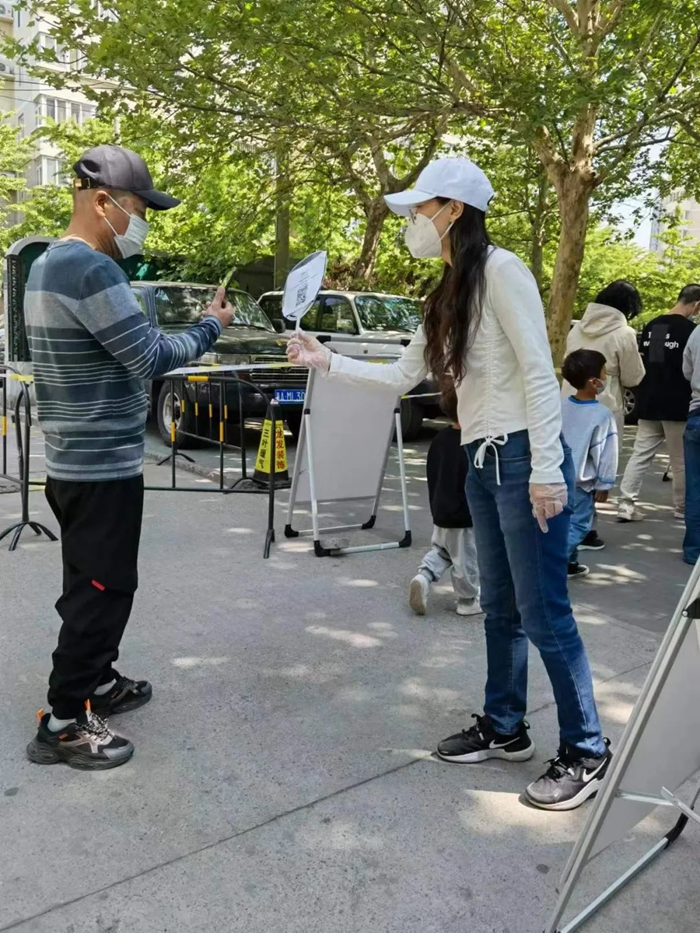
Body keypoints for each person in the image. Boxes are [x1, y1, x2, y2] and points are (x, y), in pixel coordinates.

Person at [288, 156, 611, 811]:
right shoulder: (448, 291)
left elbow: (540, 372)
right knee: (500, 606)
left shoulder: (502, 271)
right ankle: (505, 725)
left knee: (543, 611)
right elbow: (401, 375)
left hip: (521, 457)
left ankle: (587, 749)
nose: (412, 221)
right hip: (480, 462)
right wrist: (328, 360)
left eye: (420, 209)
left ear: (454, 210)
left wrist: (546, 471)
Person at [24, 144, 234, 770]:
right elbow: (149, 356)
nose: (141, 223)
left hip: (73, 461)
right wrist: (211, 325)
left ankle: (99, 681)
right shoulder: (92, 270)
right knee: (103, 589)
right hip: (100, 467)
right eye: (139, 210)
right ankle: (65, 721)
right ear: (102, 202)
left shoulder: (47, 264)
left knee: (87, 581)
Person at [563, 280, 645, 550]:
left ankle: (571, 525)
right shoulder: (624, 332)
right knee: (598, 463)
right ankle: (582, 532)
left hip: (570, 401)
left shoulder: (578, 328)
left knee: (569, 462)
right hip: (603, 404)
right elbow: (634, 376)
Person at [616, 286, 699, 523]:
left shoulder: (653, 326)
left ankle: (626, 503)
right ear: (696, 305)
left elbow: (650, 361)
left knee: (640, 455)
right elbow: (688, 369)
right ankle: (681, 507)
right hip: (678, 403)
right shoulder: (690, 331)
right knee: (680, 460)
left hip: (650, 400)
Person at [409, 383, 481, 618]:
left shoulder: (440, 439)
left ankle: (424, 576)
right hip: (464, 515)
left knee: (442, 551)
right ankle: (468, 600)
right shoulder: (473, 444)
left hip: (441, 510)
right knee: (466, 559)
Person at [560, 350, 619, 579]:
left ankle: (569, 563)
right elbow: (607, 455)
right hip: (581, 483)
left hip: (556, 476)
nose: (606, 377)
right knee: (578, 526)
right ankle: (554, 563)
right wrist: (604, 484)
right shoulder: (602, 415)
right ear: (593, 382)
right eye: (604, 372)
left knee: (561, 523)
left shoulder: (560, 407)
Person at [681, 290, 700, 564]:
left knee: (695, 487)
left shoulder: (696, 332)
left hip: (697, 412)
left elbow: (687, 370)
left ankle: (693, 550)